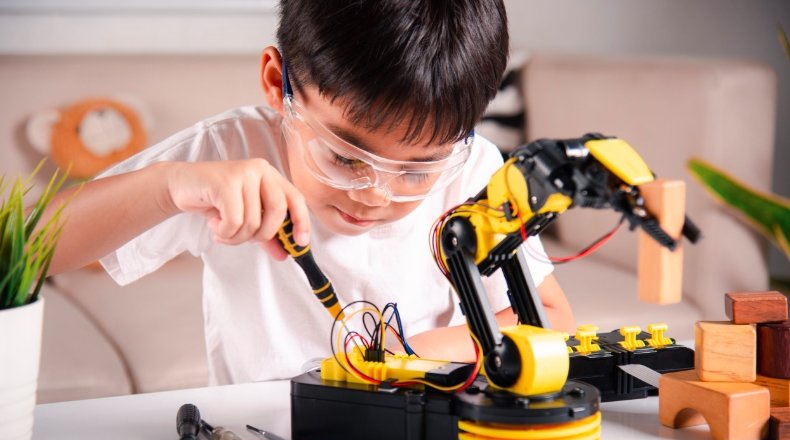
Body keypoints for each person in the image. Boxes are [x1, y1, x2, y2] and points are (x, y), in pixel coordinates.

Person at [44, 0, 574, 385]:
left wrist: (402, 356)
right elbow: (24, 249)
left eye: (418, 170)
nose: (376, 194)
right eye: (345, 156)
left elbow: (550, 317)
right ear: (279, 84)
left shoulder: (474, 170)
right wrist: (170, 187)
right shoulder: (226, 152)